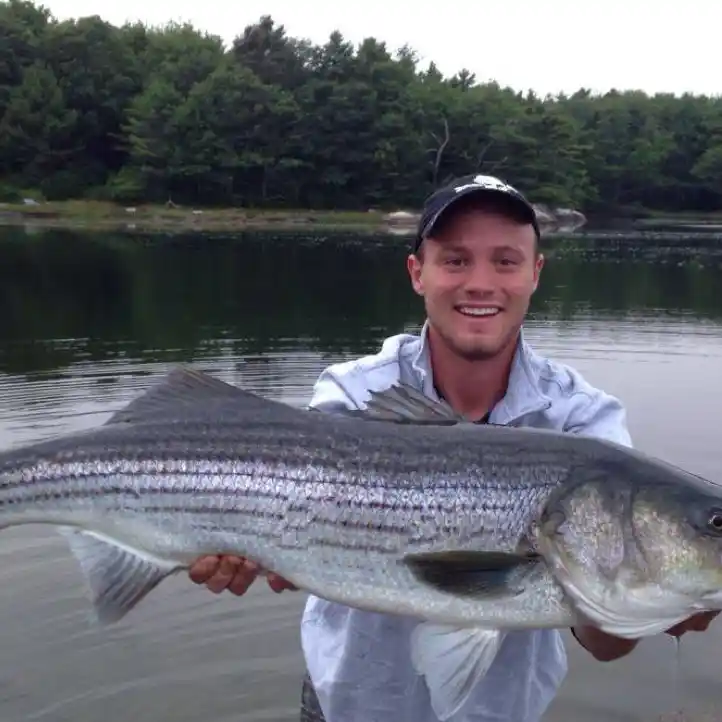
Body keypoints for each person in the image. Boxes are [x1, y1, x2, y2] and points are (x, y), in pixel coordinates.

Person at [188, 174, 719, 722]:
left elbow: (606, 643)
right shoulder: (355, 392)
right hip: (347, 707)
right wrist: (232, 542)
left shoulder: (583, 420)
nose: (481, 283)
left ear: (536, 273)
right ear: (418, 273)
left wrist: (663, 602)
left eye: (506, 261)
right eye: (456, 260)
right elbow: (278, 542)